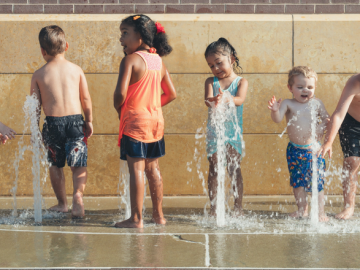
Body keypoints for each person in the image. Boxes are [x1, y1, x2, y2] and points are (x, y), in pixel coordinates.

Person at [113, 15, 176, 228]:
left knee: (137, 171)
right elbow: (171, 94)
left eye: (124, 33)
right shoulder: (159, 61)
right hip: (156, 122)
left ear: (139, 36)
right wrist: (151, 106)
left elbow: (120, 95)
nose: (121, 39)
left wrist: (118, 106)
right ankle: (159, 216)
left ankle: (136, 218)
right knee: (153, 169)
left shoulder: (130, 60)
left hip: (135, 123)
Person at [30, 25, 93, 218]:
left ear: (43, 51)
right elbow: (86, 99)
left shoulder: (39, 75)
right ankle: (78, 196)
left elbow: (34, 107)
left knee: (55, 164)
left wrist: (35, 130)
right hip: (75, 123)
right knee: (78, 164)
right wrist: (89, 121)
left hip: (53, 124)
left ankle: (62, 203)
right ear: (66, 46)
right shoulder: (76, 70)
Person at [268, 66, 329, 222]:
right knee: (297, 183)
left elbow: (327, 120)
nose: (305, 90)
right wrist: (275, 110)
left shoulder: (317, 103)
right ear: (290, 88)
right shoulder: (288, 103)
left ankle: (320, 212)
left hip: (314, 150)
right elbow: (277, 119)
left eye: (310, 87)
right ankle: (302, 210)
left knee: (317, 182)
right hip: (295, 150)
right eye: (300, 87)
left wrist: (322, 127)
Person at [204, 38, 248, 216]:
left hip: (233, 132)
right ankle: (215, 208)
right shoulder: (210, 81)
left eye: (219, 63)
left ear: (232, 59)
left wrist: (227, 98)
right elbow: (207, 100)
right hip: (215, 132)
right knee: (214, 168)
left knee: (234, 167)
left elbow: (240, 100)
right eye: (211, 65)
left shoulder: (241, 82)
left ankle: (238, 208)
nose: (215, 69)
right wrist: (213, 100)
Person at [319, 74, 360, 220]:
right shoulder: (355, 82)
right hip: (351, 123)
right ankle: (349, 207)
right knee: (352, 162)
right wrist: (329, 141)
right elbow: (338, 114)